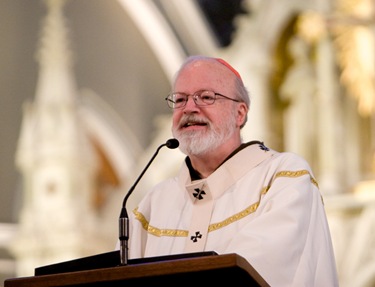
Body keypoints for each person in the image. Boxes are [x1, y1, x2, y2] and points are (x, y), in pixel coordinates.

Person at [126, 55, 339, 286]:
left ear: (240, 114)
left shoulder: (283, 178)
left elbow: (255, 272)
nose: (188, 108)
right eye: (180, 100)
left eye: (205, 97)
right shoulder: (152, 206)